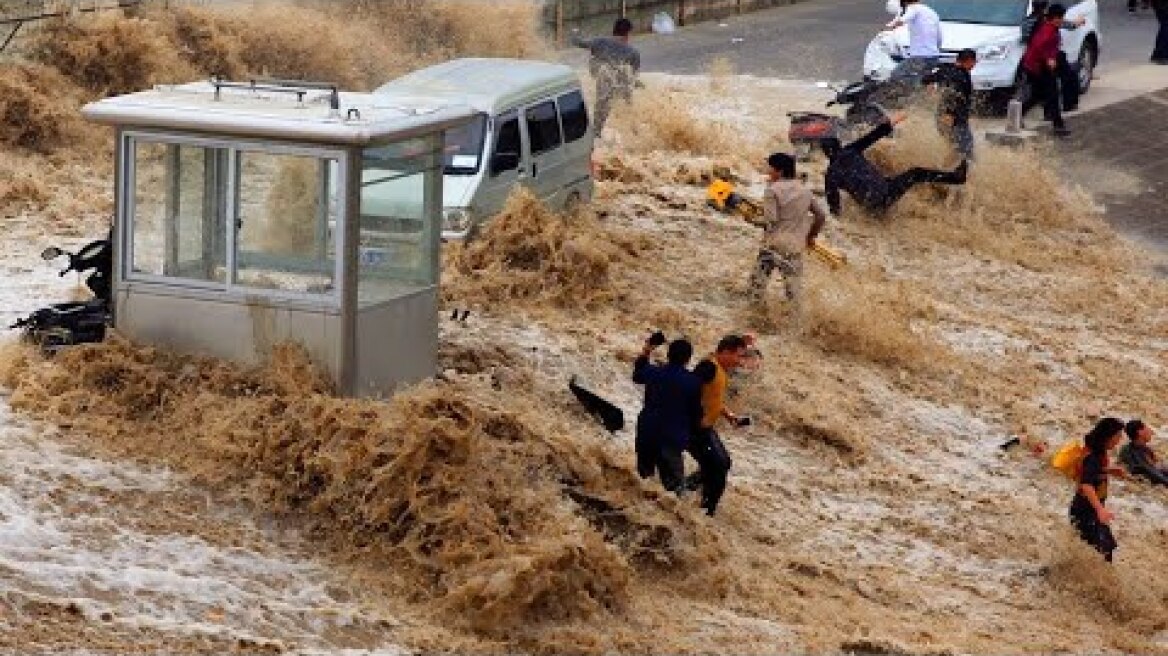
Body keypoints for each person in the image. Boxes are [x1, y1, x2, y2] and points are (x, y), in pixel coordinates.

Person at [823, 111, 968, 218]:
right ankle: (956, 177)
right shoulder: (850, 150)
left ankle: (878, 216)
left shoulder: (830, 174)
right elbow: (874, 135)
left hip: (872, 207)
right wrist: (895, 120)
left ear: (826, 154)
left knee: (881, 184)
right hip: (887, 192)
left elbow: (835, 209)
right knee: (915, 173)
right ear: (840, 145)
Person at [746, 153, 827, 313]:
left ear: (780, 171)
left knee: (756, 288)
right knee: (793, 295)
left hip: (773, 245)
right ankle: (795, 331)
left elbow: (770, 221)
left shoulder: (772, 190)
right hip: (795, 247)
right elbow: (821, 216)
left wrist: (751, 219)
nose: (769, 172)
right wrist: (811, 237)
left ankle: (755, 321)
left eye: (771, 168)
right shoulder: (805, 191)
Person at [632, 332, 703, 494]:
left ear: (668, 355)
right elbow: (696, 414)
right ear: (688, 359)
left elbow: (637, 375)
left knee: (643, 481)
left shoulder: (654, 372)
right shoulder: (692, 382)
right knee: (676, 491)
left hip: (647, 432)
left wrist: (647, 350)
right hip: (671, 438)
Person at [686, 335, 750, 516]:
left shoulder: (719, 369)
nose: (739, 362)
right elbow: (689, 389)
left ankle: (684, 489)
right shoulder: (708, 367)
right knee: (718, 466)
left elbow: (712, 397)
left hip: (705, 429)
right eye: (738, 356)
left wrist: (729, 415)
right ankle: (707, 511)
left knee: (722, 463)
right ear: (726, 352)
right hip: (694, 429)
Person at [1068, 417, 1128, 562]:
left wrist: (1109, 470)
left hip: (1089, 510)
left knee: (1105, 549)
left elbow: (1092, 471)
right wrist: (1100, 509)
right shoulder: (1093, 457)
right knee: (1103, 549)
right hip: (1085, 511)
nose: (1119, 441)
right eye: (1117, 437)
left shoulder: (1097, 453)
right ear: (1107, 437)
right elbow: (1086, 484)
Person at [572, 17, 641, 137]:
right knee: (627, 104)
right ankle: (633, 132)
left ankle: (596, 133)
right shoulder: (633, 52)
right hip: (619, 85)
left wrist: (575, 32)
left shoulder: (600, 41)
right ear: (628, 33)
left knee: (601, 106)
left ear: (614, 30)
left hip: (602, 81)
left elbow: (577, 42)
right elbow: (633, 76)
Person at [1019, 0, 1086, 112]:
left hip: (1031, 57)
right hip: (1047, 56)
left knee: (1043, 89)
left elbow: (1025, 39)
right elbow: (1069, 25)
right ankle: (1067, 105)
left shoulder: (1025, 22)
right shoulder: (1047, 22)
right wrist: (1078, 22)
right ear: (1045, 8)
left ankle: (1051, 114)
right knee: (1067, 77)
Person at [1021, 4, 1071, 137]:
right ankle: (1058, 126)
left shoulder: (1050, 26)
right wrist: (1048, 59)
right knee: (1051, 95)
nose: (1062, 20)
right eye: (1060, 18)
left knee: (1038, 95)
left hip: (1036, 66)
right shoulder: (1047, 30)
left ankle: (1018, 114)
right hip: (1039, 67)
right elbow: (1038, 46)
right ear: (1054, 18)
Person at [922, 49, 977, 160]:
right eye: (974, 61)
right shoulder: (961, 76)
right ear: (969, 61)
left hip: (941, 115)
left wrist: (929, 85)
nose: (975, 64)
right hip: (954, 118)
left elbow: (925, 79)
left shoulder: (946, 69)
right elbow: (952, 95)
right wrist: (949, 113)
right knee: (966, 153)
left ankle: (947, 169)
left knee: (954, 149)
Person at [885, 0, 942, 81]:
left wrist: (890, 27)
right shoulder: (932, 12)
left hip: (920, 57)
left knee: (896, 75)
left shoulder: (913, 8)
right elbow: (939, 36)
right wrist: (936, 50)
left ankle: (914, 90)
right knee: (923, 77)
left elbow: (904, 19)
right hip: (933, 57)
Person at [1118, 419, 1168, 486]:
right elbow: (1148, 471)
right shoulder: (1132, 451)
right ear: (1140, 432)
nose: (1151, 432)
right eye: (1147, 428)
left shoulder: (1144, 449)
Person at [1153, 0, 1168, 64]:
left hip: (1161, 6)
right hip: (1162, 6)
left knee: (1165, 28)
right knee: (1165, 28)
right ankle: (1161, 55)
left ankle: (1159, 54)